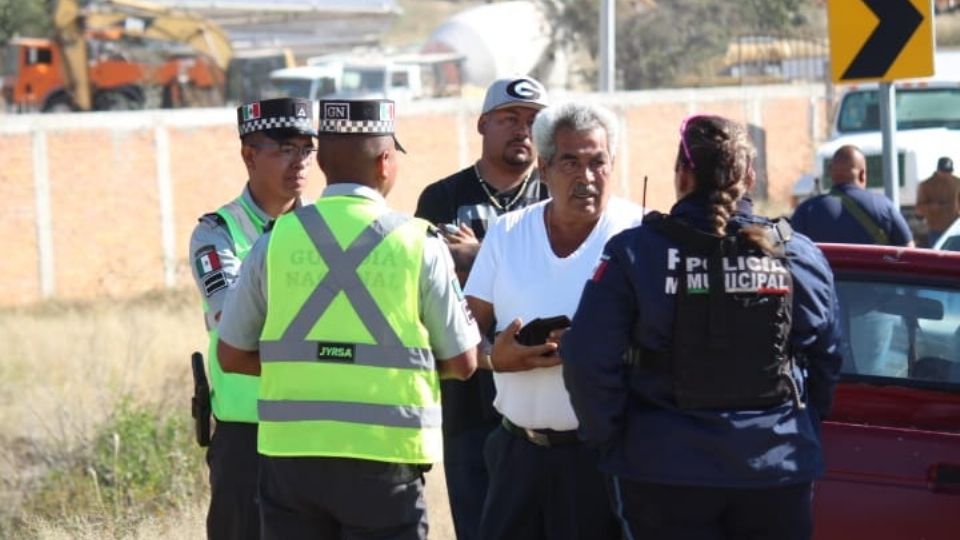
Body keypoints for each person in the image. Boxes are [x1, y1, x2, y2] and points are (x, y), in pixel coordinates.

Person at [562, 114, 843, 539]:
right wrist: (799, 427)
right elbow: (828, 356)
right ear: (750, 175)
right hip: (775, 469)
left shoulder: (637, 250)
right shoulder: (795, 250)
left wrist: (612, 438)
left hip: (663, 471)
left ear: (682, 175)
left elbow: (585, 356)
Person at [215, 98, 479, 540]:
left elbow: (231, 353)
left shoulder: (275, 240)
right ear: (385, 162)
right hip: (386, 455)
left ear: (321, 163)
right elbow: (463, 362)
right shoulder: (419, 243)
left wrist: (313, 364)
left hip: (289, 458)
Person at [464, 101, 644, 540]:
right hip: (516, 455)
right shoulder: (507, 234)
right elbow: (465, 335)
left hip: (601, 458)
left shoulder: (640, 236)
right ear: (544, 168)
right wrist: (495, 358)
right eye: (570, 162)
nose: (586, 177)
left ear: (613, 164)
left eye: (597, 162)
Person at [413, 75, 549, 540]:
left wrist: (479, 259)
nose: (522, 130)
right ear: (483, 124)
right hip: (469, 395)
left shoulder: (554, 196)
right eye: (509, 118)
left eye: (533, 120)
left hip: (539, 393)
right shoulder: (443, 197)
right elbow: (427, 290)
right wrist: (513, 262)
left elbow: (560, 281)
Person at [188, 96, 316, 540]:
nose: (299, 161)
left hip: (316, 427)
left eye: (306, 149)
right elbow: (234, 322)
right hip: (247, 434)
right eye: (284, 149)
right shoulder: (218, 231)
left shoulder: (326, 229)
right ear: (248, 155)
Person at [790, 144, 914, 246]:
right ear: (862, 174)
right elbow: (909, 250)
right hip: (873, 276)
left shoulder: (806, 211)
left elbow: (791, 251)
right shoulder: (883, 206)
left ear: (831, 173)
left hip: (822, 276)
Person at [915, 156, 960, 247]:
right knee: (938, 257)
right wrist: (933, 207)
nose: (946, 175)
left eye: (949, 172)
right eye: (944, 172)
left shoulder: (957, 183)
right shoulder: (926, 185)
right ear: (938, 170)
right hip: (936, 230)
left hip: (955, 230)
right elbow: (919, 210)